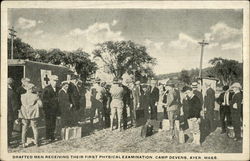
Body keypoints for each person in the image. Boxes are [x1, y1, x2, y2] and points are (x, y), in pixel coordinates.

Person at [19, 83, 43, 147]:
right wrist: (36, 104)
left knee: (24, 128)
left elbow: (22, 104)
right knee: (34, 128)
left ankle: (23, 143)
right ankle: (37, 143)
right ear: (32, 89)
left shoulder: (22, 96)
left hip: (24, 113)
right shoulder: (35, 96)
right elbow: (41, 105)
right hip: (33, 114)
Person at [42, 75, 60, 142]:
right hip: (48, 110)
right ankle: (48, 136)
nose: (55, 82)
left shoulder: (58, 89)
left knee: (53, 123)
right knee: (48, 123)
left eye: (56, 81)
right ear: (50, 80)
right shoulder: (46, 89)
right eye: (54, 80)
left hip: (55, 109)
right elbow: (44, 100)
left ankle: (52, 136)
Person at [7, 78, 18, 146]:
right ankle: (7, 142)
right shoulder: (12, 93)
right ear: (12, 84)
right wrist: (16, 117)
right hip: (9, 115)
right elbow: (14, 106)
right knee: (9, 129)